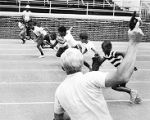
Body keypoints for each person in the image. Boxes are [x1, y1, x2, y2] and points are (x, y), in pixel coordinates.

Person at [53, 22, 144, 120]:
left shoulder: (59, 91)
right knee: (114, 84)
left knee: (115, 85)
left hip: (116, 68)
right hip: (117, 70)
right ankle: (132, 92)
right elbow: (112, 69)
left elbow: (58, 118)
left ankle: (132, 92)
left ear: (63, 68)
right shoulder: (91, 77)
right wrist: (134, 42)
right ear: (81, 63)